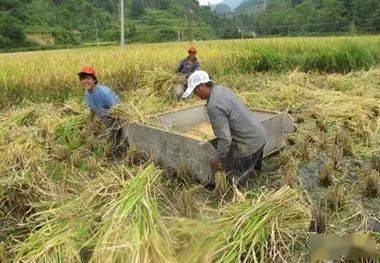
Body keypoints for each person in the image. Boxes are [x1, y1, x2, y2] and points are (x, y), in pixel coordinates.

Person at [182, 70, 269, 184]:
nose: (195, 95)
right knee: (255, 175)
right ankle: (259, 184)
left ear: (202, 86)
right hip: (259, 136)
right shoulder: (222, 90)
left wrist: (218, 160)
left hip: (249, 145)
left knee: (234, 182)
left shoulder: (213, 105)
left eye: (195, 91)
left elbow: (225, 138)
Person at [78, 67, 126, 159]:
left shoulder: (104, 93)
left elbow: (118, 109)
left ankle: (116, 157)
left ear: (94, 79)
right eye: (83, 79)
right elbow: (92, 108)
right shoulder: (86, 94)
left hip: (116, 122)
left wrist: (117, 127)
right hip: (106, 122)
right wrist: (90, 122)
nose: (85, 81)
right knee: (100, 141)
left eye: (88, 78)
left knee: (111, 147)